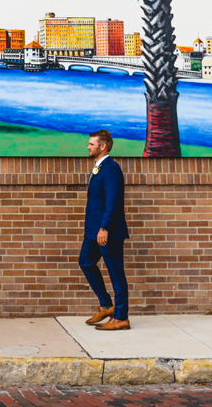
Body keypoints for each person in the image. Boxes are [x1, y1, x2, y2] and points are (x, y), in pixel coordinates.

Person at [80, 129, 130, 331]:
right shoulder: (99, 167)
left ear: (102, 146)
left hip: (106, 231)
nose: (87, 147)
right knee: (85, 262)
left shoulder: (111, 168)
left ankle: (121, 318)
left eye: (91, 144)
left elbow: (113, 202)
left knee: (116, 273)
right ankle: (106, 305)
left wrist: (104, 228)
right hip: (93, 231)